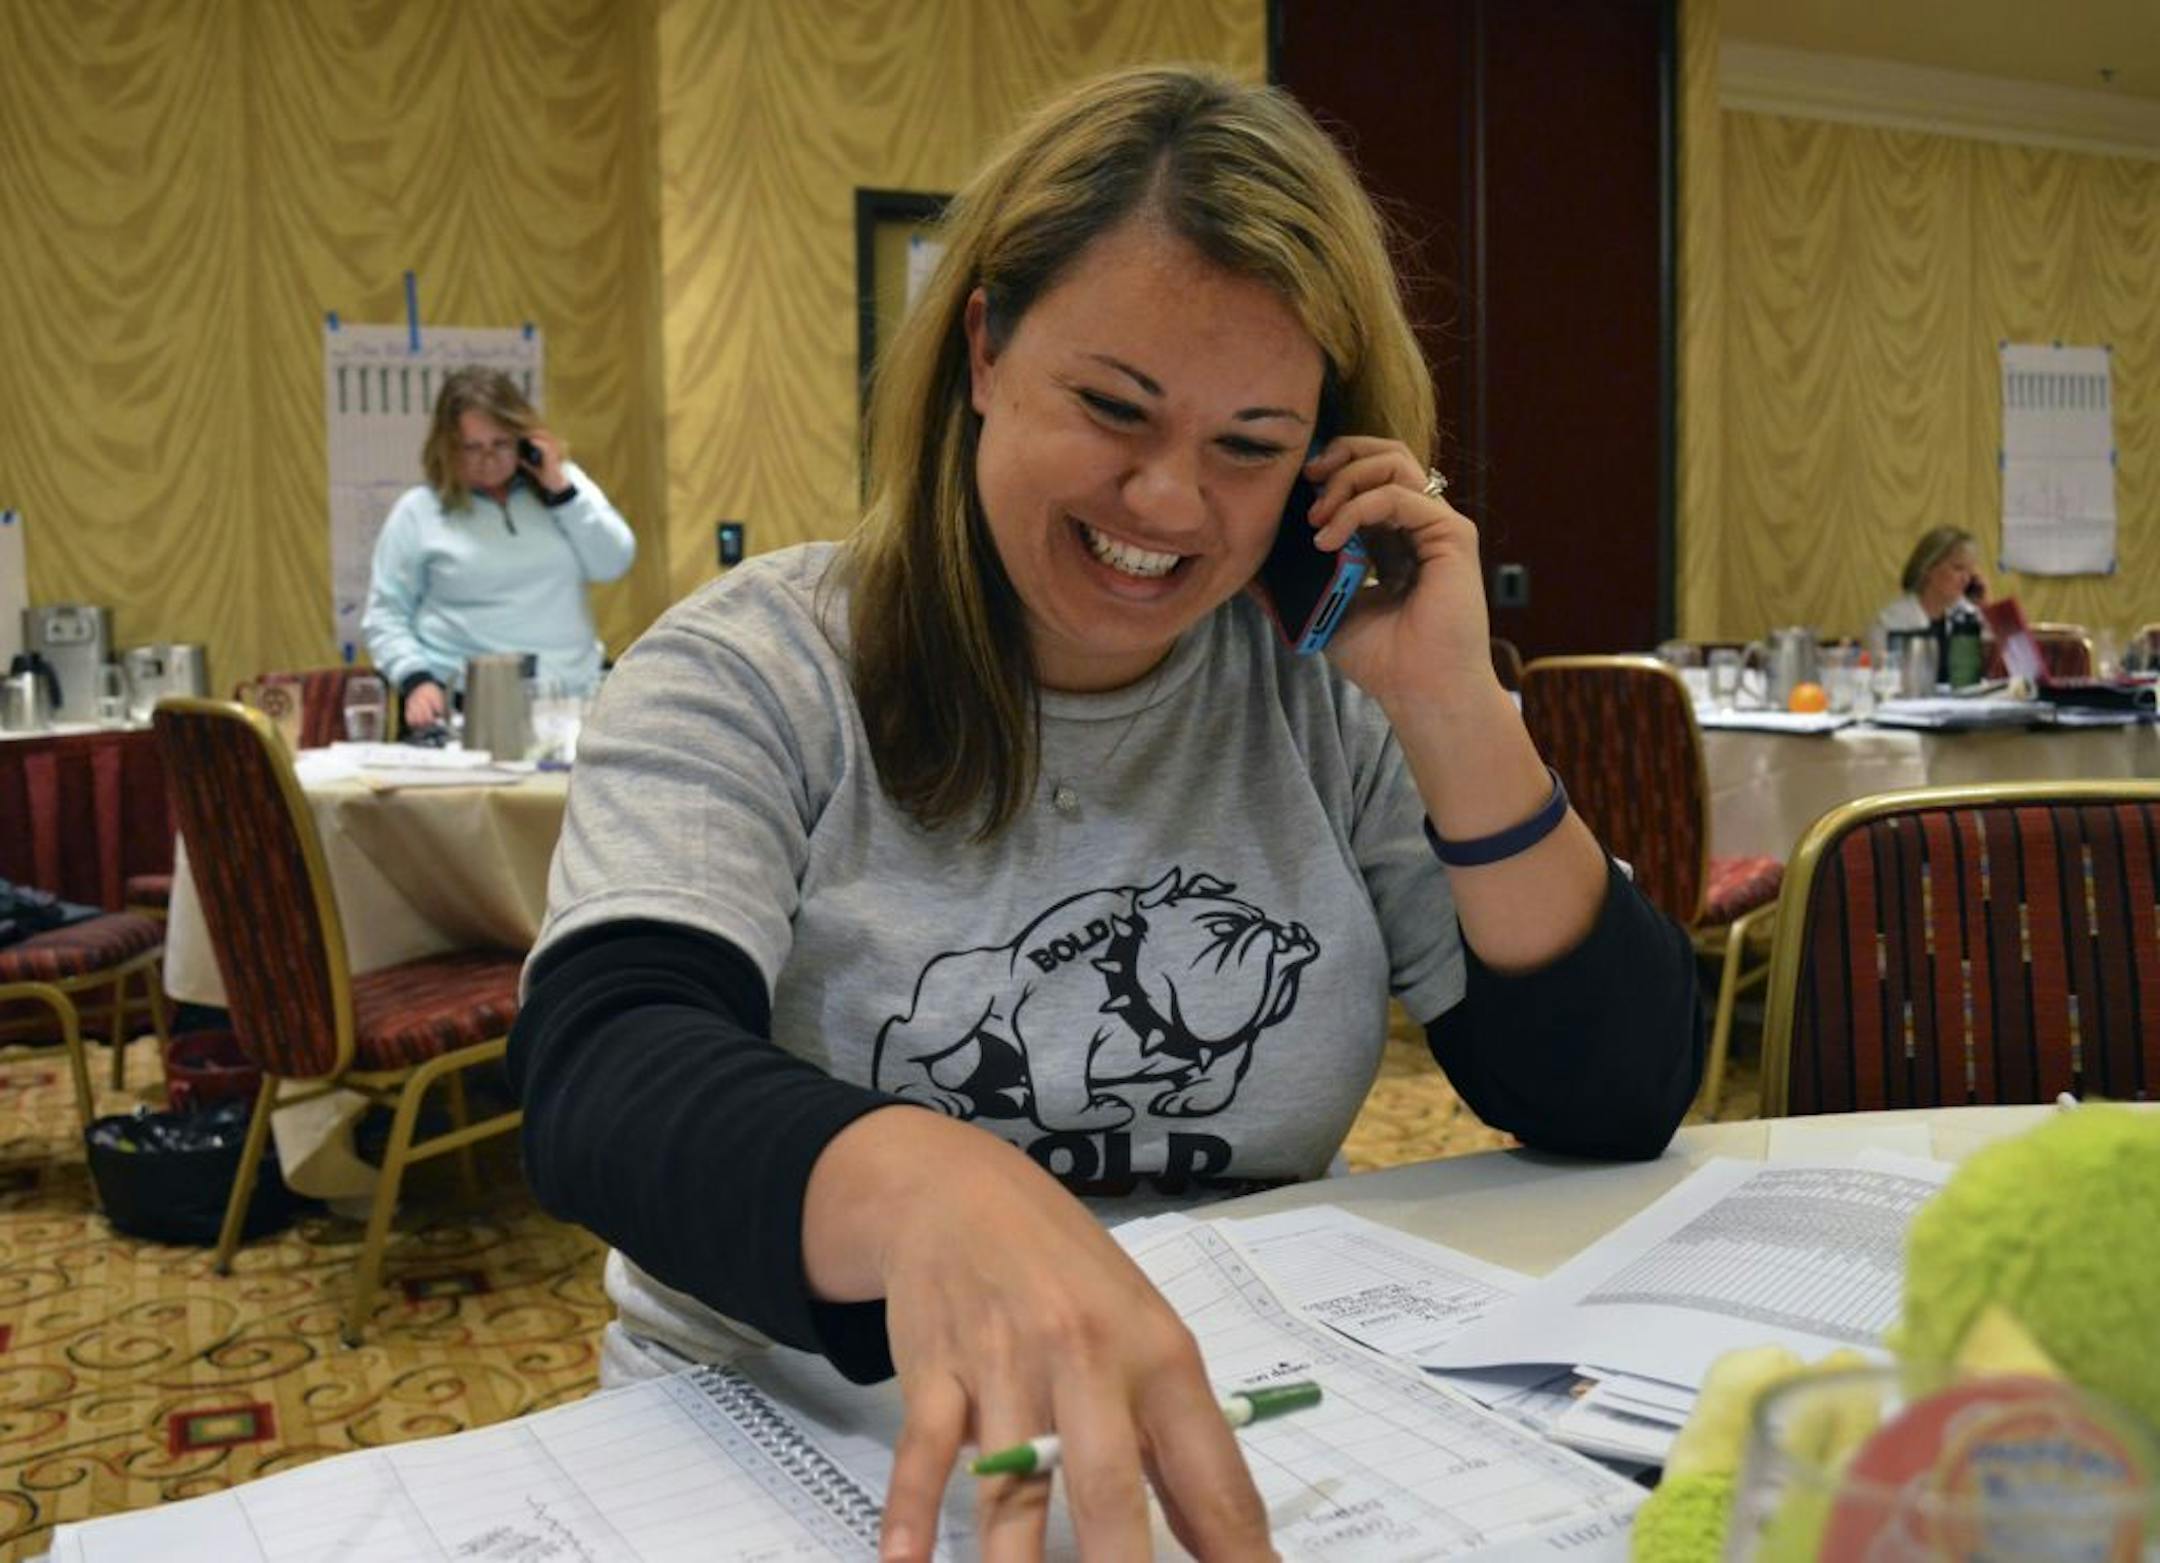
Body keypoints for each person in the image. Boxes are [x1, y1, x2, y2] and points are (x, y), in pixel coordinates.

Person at [509, 66, 1703, 1560]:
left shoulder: (1329, 691)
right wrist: (939, 1186)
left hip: (1226, 1400)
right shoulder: (756, 663)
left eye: (1250, 446)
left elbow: (1610, 1090)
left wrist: (1452, 705)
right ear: (986, 348)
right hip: (796, 1431)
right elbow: (602, 1073)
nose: (1167, 503)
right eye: (1113, 407)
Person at [362, 366, 636, 733]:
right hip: (466, 705)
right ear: (447, 448)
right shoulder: (420, 511)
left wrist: (560, 491)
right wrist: (415, 679)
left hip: (569, 699)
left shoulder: (563, 487)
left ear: (524, 440)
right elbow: (385, 615)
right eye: (472, 447)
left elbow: (613, 561)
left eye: (501, 444)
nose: (487, 459)